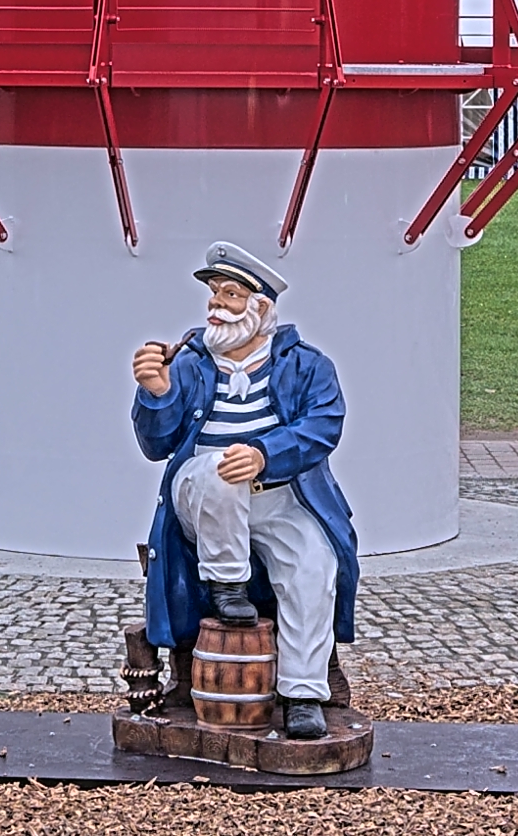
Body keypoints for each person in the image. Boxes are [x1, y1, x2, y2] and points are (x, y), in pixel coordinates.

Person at [131, 240, 358, 742]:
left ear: (261, 308)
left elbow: (323, 425)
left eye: (230, 295)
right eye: (213, 294)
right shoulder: (188, 363)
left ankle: (302, 692)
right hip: (202, 496)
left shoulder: (307, 365)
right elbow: (156, 444)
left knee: (313, 561)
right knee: (215, 470)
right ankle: (226, 582)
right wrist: (157, 394)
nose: (216, 305)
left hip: (278, 494)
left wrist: (264, 453)